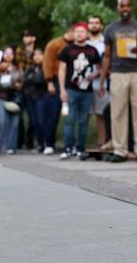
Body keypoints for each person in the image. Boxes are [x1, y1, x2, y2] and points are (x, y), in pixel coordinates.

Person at [99, 0, 137, 163]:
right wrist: (102, 79)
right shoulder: (110, 29)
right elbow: (107, 55)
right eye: (122, 6)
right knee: (118, 112)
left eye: (128, 6)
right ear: (117, 8)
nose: (125, 9)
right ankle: (120, 150)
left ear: (131, 8)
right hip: (118, 73)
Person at [58, 22, 102, 159]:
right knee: (70, 119)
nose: (79, 34)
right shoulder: (67, 50)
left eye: (82, 32)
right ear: (73, 33)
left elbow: (99, 68)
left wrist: (94, 75)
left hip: (87, 90)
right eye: (77, 31)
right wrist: (62, 89)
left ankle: (80, 147)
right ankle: (67, 147)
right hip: (71, 88)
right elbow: (62, 69)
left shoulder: (92, 50)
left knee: (83, 120)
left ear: (87, 34)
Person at [42, 23, 75, 155]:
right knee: (53, 114)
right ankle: (49, 143)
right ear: (71, 31)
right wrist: (49, 81)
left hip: (72, 82)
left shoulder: (77, 46)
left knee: (71, 115)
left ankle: (71, 144)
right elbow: (47, 63)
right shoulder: (54, 44)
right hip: (55, 81)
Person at [0, 47, 23, 154]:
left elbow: (21, 81)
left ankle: (11, 147)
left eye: (11, 53)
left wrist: (15, 84)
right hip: (1, 96)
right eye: (6, 53)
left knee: (14, 123)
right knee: (1, 121)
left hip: (15, 97)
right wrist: (3, 83)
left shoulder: (18, 68)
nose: (9, 55)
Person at [87, 16, 110, 148]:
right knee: (85, 115)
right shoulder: (84, 42)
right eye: (91, 23)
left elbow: (108, 60)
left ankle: (102, 143)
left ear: (101, 26)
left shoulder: (105, 42)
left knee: (101, 114)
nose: (94, 25)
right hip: (84, 84)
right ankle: (81, 145)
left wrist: (101, 73)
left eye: (96, 23)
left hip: (101, 82)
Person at [23, 48, 48, 152]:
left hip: (42, 96)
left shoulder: (46, 67)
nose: (37, 57)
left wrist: (32, 78)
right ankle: (40, 144)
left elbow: (41, 80)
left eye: (39, 54)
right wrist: (33, 78)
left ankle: (45, 142)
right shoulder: (30, 68)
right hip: (30, 97)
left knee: (42, 120)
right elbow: (25, 79)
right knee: (34, 122)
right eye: (35, 55)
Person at [16, 29, 37, 150]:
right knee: (19, 116)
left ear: (33, 38)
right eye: (25, 37)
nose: (26, 39)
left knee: (33, 116)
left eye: (29, 36)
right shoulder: (20, 52)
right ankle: (20, 141)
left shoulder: (37, 53)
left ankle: (30, 141)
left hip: (33, 87)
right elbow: (19, 68)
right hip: (22, 86)